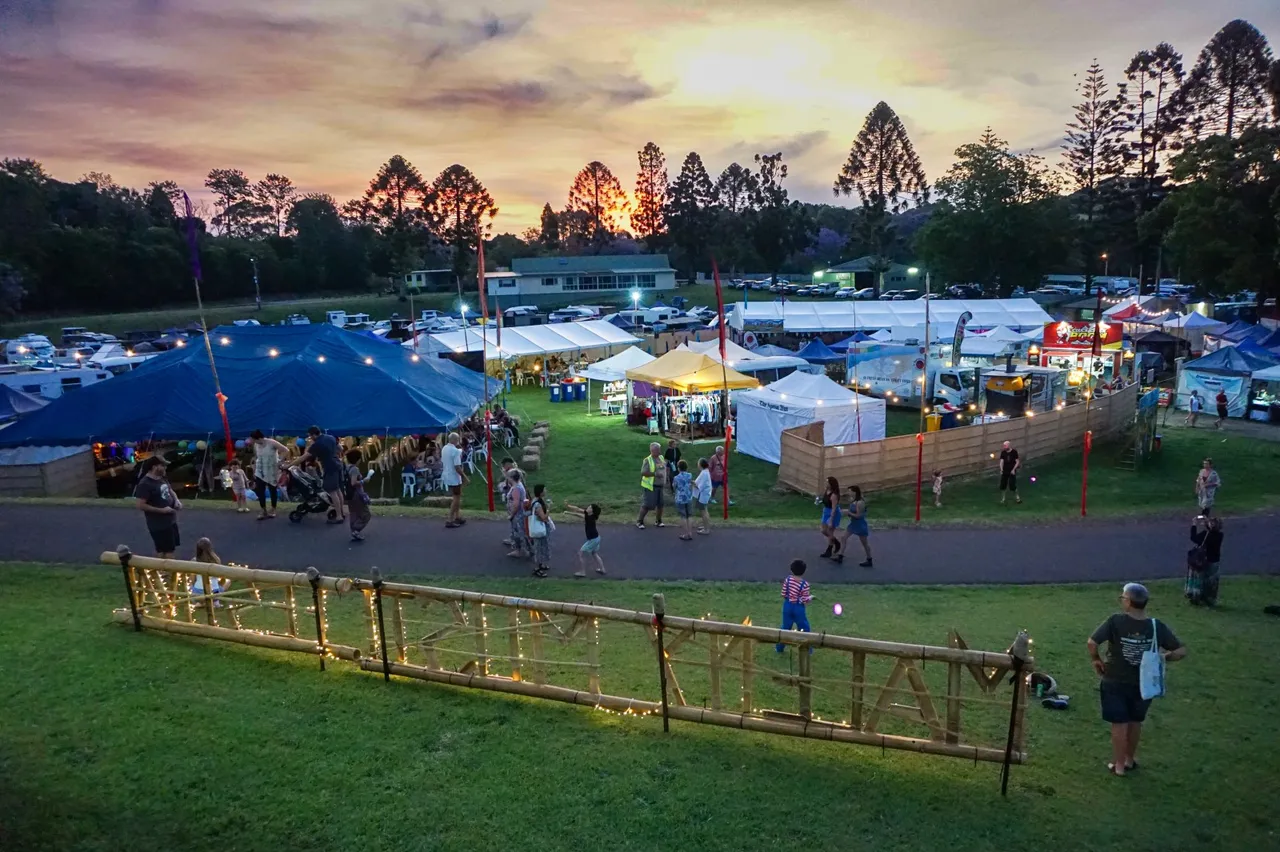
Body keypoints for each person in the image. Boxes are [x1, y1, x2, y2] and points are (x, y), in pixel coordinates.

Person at [1087, 583, 1187, 776]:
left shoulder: (1116, 621)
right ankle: (1129, 759)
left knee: (1119, 723)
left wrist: (1096, 660)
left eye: (1122, 597)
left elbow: (1092, 643)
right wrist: (1163, 658)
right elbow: (1180, 651)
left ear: (1128, 601)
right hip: (1144, 683)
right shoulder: (1156, 626)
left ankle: (1118, 765)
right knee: (1135, 721)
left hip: (1114, 679)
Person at [133, 456, 182, 558]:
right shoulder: (145, 484)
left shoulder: (162, 477)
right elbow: (140, 505)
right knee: (165, 551)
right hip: (158, 524)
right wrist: (162, 511)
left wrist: (176, 500)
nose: (165, 468)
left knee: (170, 548)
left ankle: (164, 571)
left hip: (170, 520)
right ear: (154, 467)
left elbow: (170, 490)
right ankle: (167, 572)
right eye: (163, 466)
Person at [298, 425, 344, 523]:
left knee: (332, 491)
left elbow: (303, 457)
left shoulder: (317, 444)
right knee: (338, 490)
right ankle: (341, 512)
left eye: (310, 436)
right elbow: (340, 448)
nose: (310, 438)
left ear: (314, 435)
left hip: (329, 467)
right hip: (338, 464)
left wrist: (288, 465)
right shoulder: (330, 437)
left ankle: (339, 516)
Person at [775, 559, 812, 653]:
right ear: (804, 571)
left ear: (792, 570)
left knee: (785, 627)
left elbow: (783, 594)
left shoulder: (788, 580)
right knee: (804, 628)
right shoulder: (805, 585)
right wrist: (810, 597)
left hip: (787, 606)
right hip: (798, 608)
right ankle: (807, 649)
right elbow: (804, 600)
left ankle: (779, 648)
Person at [250, 430, 289, 519]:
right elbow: (257, 457)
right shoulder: (256, 445)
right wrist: (254, 469)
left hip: (272, 469)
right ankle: (263, 510)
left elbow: (286, 450)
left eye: (254, 439)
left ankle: (273, 509)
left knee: (272, 490)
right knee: (260, 490)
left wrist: (280, 461)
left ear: (259, 438)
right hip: (260, 471)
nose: (253, 441)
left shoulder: (271, 443)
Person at [1186, 515, 1224, 607]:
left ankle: (1196, 597)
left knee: (1199, 579)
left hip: (1203, 560)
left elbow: (1193, 538)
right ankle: (1209, 599)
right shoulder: (1220, 535)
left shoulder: (1205, 535)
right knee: (1211, 581)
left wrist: (1194, 525)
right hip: (1214, 561)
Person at [564, 502, 605, 576]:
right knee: (594, 553)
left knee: (581, 554)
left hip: (593, 540)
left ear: (592, 511)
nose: (587, 508)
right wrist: (568, 506)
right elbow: (578, 509)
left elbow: (578, 514)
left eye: (589, 507)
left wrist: (569, 513)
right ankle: (602, 569)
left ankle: (583, 572)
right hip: (596, 538)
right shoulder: (589, 514)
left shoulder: (590, 518)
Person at [836, 485, 872, 567]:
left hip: (860, 525)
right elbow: (852, 513)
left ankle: (869, 559)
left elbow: (859, 516)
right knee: (843, 538)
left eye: (850, 491)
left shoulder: (860, 502)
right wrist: (847, 513)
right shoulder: (853, 501)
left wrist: (848, 512)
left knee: (864, 543)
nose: (848, 493)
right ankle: (840, 556)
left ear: (855, 492)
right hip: (853, 524)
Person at [636, 441, 667, 529]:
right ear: (652, 451)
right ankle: (639, 521)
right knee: (647, 505)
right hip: (651, 486)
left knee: (660, 504)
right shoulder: (647, 460)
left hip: (660, 486)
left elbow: (663, 467)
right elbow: (643, 472)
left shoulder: (661, 457)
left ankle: (658, 521)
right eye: (657, 450)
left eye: (659, 450)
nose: (659, 451)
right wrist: (655, 474)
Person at [440, 432, 468, 528]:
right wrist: (465, 477)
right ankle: (450, 519)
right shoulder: (455, 451)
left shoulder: (444, 448)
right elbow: (457, 467)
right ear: (455, 440)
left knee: (457, 496)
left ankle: (457, 516)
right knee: (456, 498)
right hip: (454, 476)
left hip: (446, 474)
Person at [344, 448, 372, 542]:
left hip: (349, 494)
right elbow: (353, 482)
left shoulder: (347, 468)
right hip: (356, 494)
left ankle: (354, 531)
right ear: (358, 459)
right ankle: (356, 530)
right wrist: (364, 481)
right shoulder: (355, 469)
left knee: (354, 513)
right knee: (366, 514)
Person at [528, 483, 553, 578]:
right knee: (539, 548)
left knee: (542, 547)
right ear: (541, 492)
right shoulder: (538, 504)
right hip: (540, 529)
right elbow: (543, 518)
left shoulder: (536, 500)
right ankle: (537, 568)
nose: (545, 491)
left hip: (540, 527)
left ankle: (541, 564)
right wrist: (549, 509)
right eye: (544, 490)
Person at [505, 470, 530, 559]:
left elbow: (516, 504)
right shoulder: (518, 485)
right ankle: (527, 549)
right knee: (521, 532)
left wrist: (511, 515)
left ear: (511, 478)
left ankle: (518, 550)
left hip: (517, 514)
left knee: (518, 532)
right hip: (519, 513)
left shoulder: (516, 489)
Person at [818, 476, 842, 560]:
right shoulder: (827, 491)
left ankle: (829, 550)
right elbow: (826, 500)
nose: (826, 483)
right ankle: (836, 542)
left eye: (827, 482)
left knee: (830, 531)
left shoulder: (834, 495)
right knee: (823, 530)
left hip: (833, 513)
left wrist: (831, 520)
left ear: (831, 484)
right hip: (826, 512)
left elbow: (834, 508)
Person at [672, 460, 695, 541]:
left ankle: (686, 534)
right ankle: (690, 533)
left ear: (678, 468)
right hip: (688, 497)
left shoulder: (676, 478)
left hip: (680, 498)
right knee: (690, 515)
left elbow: (674, 487)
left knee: (683, 516)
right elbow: (690, 483)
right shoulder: (690, 475)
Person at [693, 457, 713, 535]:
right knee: (705, 510)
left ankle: (706, 529)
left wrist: (692, 483)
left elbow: (699, 486)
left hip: (703, 495)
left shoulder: (704, 473)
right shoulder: (705, 472)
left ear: (701, 465)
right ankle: (706, 526)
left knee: (703, 511)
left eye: (698, 463)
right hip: (704, 494)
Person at [998, 440, 1021, 505]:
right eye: (1003, 446)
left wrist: (1013, 469)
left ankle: (1017, 498)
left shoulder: (1014, 452)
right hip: (1005, 471)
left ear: (1008, 445)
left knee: (1012, 486)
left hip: (1012, 471)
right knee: (1003, 486)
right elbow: (1001, 462)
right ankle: (1003, 499)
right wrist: (1001, 469)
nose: (1004, 447)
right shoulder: (1003, 452)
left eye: (1005, 445)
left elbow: (1017, 461)